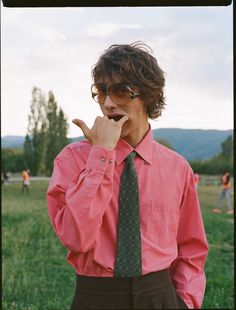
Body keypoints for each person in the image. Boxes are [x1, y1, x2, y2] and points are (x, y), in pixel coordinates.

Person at [46, 42, 208, 309]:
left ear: (148, 95)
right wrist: (101, 154)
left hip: (161, 295)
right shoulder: (73, 159)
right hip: (96, 297)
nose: (108, 104)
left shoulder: (178, 168)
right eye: (102, 92)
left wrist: (186, 302)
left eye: (121, 91)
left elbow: (191, 249)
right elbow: (77, 239)